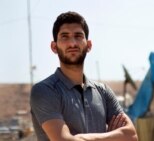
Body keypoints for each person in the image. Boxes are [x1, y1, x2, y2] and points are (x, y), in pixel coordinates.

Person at [30, 11, 138, 141]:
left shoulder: (103, 92)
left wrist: (79, 138)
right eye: (65, 37)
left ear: (89, 45)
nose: (72, 43)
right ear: (54, 47)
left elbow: (131, 136)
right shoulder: (45, 91)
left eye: (78, 36)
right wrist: (113, 138)